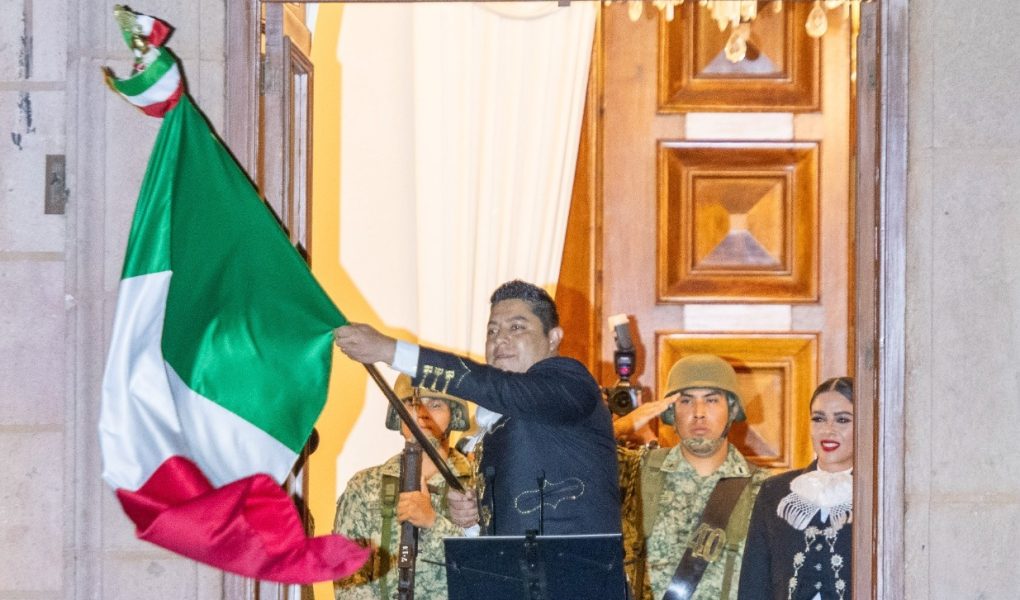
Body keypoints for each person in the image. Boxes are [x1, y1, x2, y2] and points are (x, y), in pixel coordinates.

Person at [334, 279, 621, 536]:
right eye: (492, 330)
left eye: (517, 327)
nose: (500, 339)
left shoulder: (570, 382)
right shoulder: (493, 422)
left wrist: (390, 351)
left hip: (576, 574)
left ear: (553, 337)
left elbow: (497, 387)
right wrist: (472, 520)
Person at [620, 354, 768, 600]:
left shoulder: (765, 489)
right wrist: (625, 425)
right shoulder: (636, 471)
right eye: (686, 401)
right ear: (670, 411)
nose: (699, 413)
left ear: (732, 409)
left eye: (711, 400)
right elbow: (566, 458)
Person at [333, 375, 474, 600]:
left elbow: (488, 574)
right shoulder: (364, 488)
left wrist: (433, 523)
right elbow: (348, 579)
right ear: (398, 415)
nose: (422, 413)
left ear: (454, 414)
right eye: (411, 403)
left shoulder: (477, 489)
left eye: (436, 404)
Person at [737, 377, 854, 600]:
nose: (828, 430)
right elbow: (754, 582)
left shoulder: (875, 495)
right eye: (819, 419)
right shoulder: (776, 491)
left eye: (842, 420)